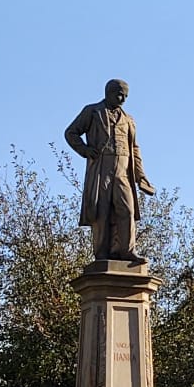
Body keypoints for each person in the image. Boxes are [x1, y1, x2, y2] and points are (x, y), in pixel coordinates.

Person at [64, 78, 156, 263]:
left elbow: (134, 149)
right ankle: (102, 253)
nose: (122, 99)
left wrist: (141, 176)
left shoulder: (129, 120)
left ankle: (127, 251)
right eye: (119, 94)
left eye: (125, 96)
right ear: (109, 93)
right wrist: (85, 150)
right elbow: (71, 133)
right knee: (101, 210)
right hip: (102, 168)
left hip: (124, 170)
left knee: (127, 210)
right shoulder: (92, 111)